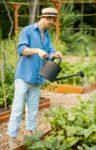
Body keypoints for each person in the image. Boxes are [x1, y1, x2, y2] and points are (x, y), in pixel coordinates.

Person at [7, 7, 62, 148]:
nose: (53, 23)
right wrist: (37, 50)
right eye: (52, 21)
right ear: (46, 18)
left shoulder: (47, 35)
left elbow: (49, 52)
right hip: (24, 76)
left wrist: (55, 54)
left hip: (38, 77)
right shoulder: (28, 31)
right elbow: (21, 50)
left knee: (33, 108)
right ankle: (12, 137)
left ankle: (30, 134)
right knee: (18, 108)